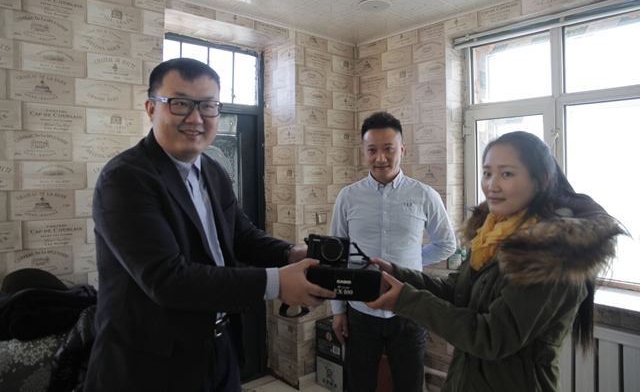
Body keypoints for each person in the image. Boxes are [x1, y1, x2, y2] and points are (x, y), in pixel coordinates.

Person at [84, 58, 334, 392]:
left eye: (208, 105)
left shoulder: (213, 170)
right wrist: (276, 283)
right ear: (151, 108)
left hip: (218, 348)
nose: (196, 118)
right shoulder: (125, 178)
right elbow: (167, 279)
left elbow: (242, 236)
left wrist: (292, 254)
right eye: (180, 103)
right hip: (150, 365)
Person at [366, 131, 627, 392]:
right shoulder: (490, 235)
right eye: (487, 173)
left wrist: (406, 300)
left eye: (507, 174)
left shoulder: (552, 253)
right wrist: (398, 275)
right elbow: (458, 293)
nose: (492, 185)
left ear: (540, 180)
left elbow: (491, 337)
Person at [330, 112, 456, 392]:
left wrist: (408, 266)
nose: (380, 158)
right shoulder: (348, 197)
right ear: (363, 151)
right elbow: (336, 257)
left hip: (409, 309)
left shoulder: (424, 195)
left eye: (388, 149)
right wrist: (338, 312)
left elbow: (447, 244)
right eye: (372, 150)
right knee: (358, 386)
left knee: (409, 385)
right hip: (360, 310)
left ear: (402, 149)